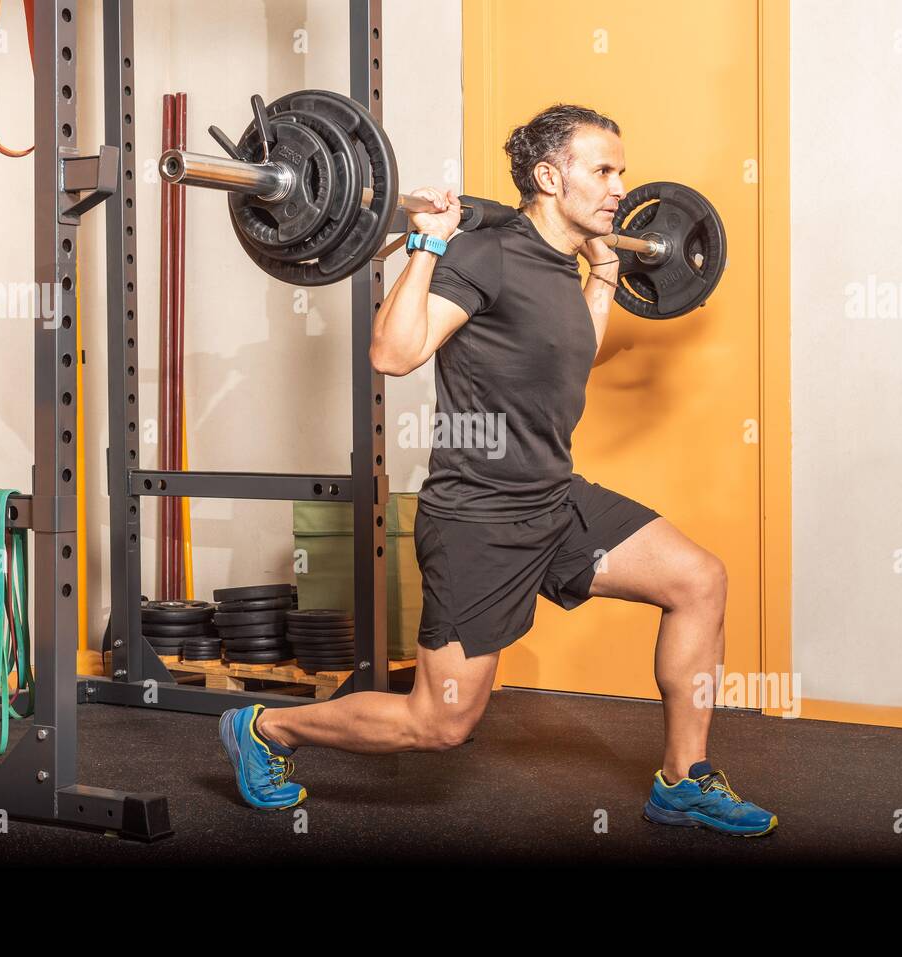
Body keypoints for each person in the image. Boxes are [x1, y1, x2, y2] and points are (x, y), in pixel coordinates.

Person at [219, 103, 777, 836]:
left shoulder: (562, 264)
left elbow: (565, 352)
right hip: (479, 518)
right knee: (438, 724)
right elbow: (393, 352)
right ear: (549, 177)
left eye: (623, 174)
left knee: (698, 579)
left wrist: (606, 278)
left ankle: (682, 779)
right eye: (603, 170)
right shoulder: (487, 253)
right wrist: (427, 242)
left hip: (555, 499)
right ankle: (267, 730)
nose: (619, 188)